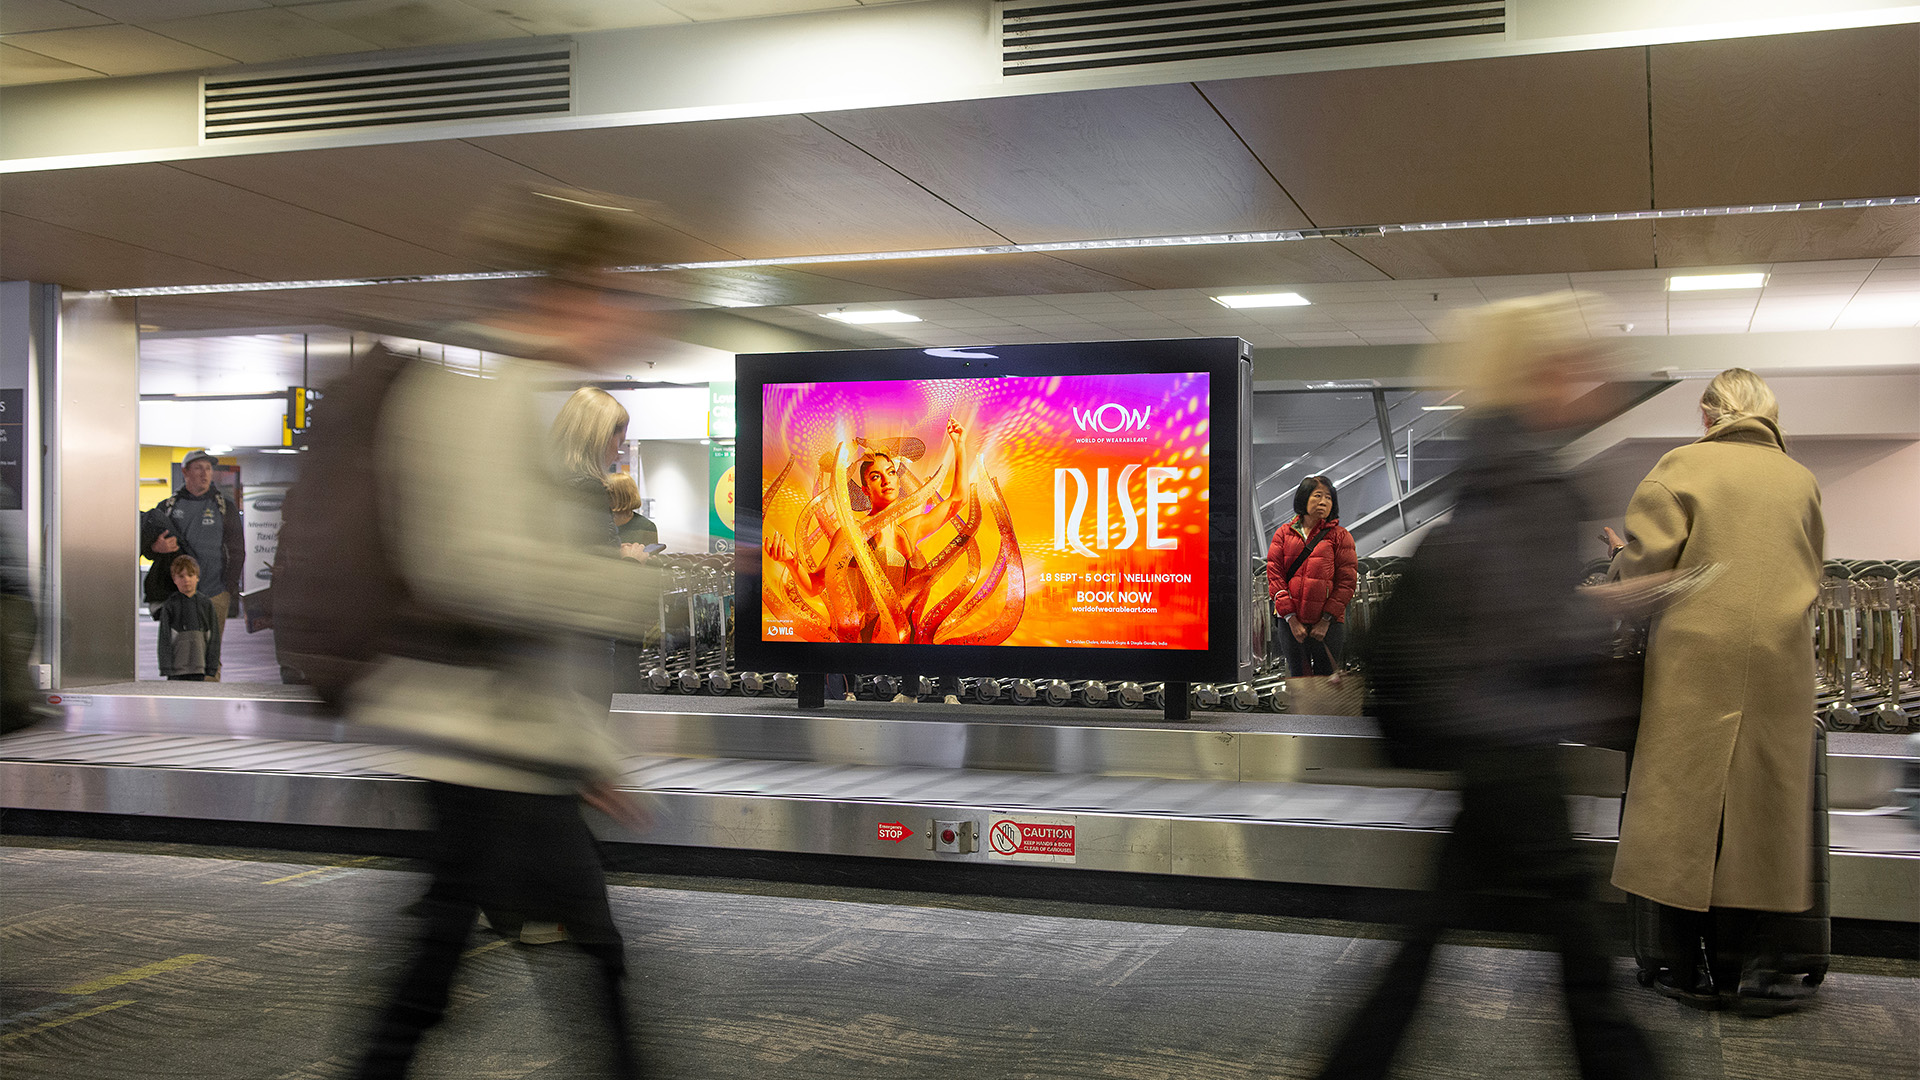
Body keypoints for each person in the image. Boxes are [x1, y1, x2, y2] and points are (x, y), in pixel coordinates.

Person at [349, 185, 671, 1080]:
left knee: (453, 950)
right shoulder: (483, 407)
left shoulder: (527, 403)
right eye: (616, 290)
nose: (627, 314)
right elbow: (477, 572)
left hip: (501, 737)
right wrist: (625, 595)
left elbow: (526, 620)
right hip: (479, 738)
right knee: (563, 947)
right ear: (569, 292)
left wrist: (588, 753)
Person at [1311, 295, 1660, 1080]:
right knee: (1580, 962)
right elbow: (1527, 629)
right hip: (1512, 739)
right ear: (1537, 374)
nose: (1590, 374)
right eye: (1572, 361)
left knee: (1430, 937)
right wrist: (1610, 609)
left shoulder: (1492, 460)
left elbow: (1496, 608)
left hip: (1486, 733)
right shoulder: (1532, 478)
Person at [1603, 367, 1825, 1013]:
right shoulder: (1801, 479)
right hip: (1781, 658)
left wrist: (1619, 557)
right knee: (1763, 809)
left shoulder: (1682, 467)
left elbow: (1648, 570)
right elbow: (1811, 565)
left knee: (1685, 807)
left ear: (1710, 415)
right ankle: (1743, 965)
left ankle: (1681, 965)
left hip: (1697, 658)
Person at [141, 449, 243, 677]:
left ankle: (209, 701)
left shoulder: (224, 508)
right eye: (198, 468)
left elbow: (238, 550)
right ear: (185, 472)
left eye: (208, 468)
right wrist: (155, 547)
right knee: (181, 649)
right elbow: (149, 549)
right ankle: (181, 700)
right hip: (178, 594)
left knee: (211, 653)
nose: (205, 473)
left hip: (215, 592)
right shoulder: (167, 507)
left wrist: (228, 587)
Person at [1265, 475, 1358, 678]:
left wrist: (1325, 620)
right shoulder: (1283, 533)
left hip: (1328, 624)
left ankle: (1325, 712)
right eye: (1318, 495)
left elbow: (1347, 582)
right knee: (1299, 679)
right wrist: (1291, 619)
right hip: (1290, 622)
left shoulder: (1341, 536)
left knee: (1327, 678)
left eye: (1328, 497)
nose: (1324, 502)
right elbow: (1275, 576)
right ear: (1304, 498)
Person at [154, 554, 221, 682]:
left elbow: (214, 637)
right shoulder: (170, 605)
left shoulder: (206, 604)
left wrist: (212, 666)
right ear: (174, 579)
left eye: (190, 575)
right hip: (176, 669)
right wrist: (166, 667)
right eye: (181, 576)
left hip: (200, 667)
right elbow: (164, 638)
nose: (186, 580)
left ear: (197, 578)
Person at [605, 472, 659, 550]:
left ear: (622, 496)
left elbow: (651, 558)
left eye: (610, 493)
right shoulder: (600, 522)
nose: (605, 497)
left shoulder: (646, 527)